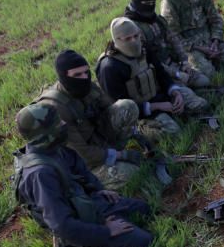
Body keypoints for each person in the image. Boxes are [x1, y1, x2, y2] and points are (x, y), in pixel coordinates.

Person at [13, 103, 153, 247]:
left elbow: (81, 171)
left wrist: (98, 190)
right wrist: (106, 231)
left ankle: (110, 225)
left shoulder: (52, 147)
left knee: (144, 209)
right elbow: (62, 225)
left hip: (85, 201)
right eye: (58, 123)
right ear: (43, 133)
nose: (64, 124)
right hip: (77, 219)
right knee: (145, 243)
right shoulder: (41, 174)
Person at [35, 50, 143, 190]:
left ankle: (117, 150)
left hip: (98, 140)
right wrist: (121, 155)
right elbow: (83, 154)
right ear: (64, 77)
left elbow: (110, 109)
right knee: (130, 172)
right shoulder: (58, 108)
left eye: (86, 72)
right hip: (83, 163)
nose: (84, 77)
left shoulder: (88, 86)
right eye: (77, 74)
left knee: (127, 106)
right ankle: (87, 186)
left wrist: (135, 134)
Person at [96, 17, 209, 138]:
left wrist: (174, 91)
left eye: (136, 36)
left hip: (158, 95)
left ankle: (174, 113)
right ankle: (139, 129)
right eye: (128, 38)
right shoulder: (109, 67)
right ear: (117, 40)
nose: (134, 41)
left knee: (201, 105)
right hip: (140, 112)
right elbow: (122, 107)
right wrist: (156, 106)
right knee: (174, 132)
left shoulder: (143, 47)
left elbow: (160, 72)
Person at [124, 0, 210, 89]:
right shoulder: (132, 29)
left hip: (173, 64)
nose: (150, 5)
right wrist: (176, 74)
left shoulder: (158, 20)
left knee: (204, 81)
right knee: (198, 103)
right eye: (146, 3)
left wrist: (184, 63)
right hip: (158, 73)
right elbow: (151, 61)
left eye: (152, 2)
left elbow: (174, 40)